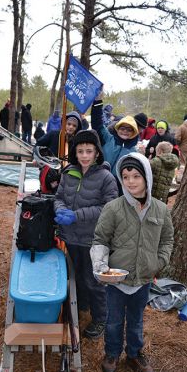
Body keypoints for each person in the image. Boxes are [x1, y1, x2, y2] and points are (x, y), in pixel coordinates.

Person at [90, 152, 174, 372]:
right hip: (117, 280)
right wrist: (100, 266)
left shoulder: (160, 209)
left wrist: (159, 262)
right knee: (114, 320)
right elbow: (100, 240)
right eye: (125, 176)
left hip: (144, 279)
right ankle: (112, 353)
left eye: (136, 175)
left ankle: (135, 354)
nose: (131, 181)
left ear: (147, 177)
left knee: (137, 319)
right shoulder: (113, 208)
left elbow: (167, 240)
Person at [54, 129, 118, 338]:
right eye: (80, 151)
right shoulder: (68, 172)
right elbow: (58, 197)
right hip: (71, 237)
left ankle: (100, 318)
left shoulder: (106, 178)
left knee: (94, 280)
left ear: (97, 153)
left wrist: (77, 215)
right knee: (76, 275)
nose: (84, 156)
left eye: (89, 151)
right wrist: (60, 210)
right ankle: (80, 306)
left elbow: (108, 208)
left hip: (94, 239)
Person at [91, 97, 139, 192]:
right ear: (117, 129)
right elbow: (97, 124)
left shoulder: (134, 152)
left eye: (129, 129)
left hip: (117, 189)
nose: (125, 131)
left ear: (133, 132)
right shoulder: (108, 138)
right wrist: (97, 103)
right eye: (122, 128)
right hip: (97, 180)